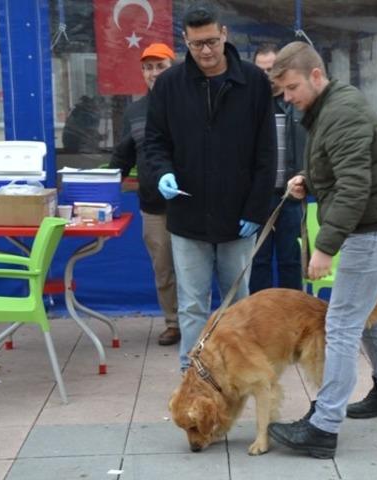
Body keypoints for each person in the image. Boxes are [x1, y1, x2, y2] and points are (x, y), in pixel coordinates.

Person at [266, 41, 377, 459]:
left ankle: (323, 426)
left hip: (371, 234)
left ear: (315, 75)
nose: (288, 99)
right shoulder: (328, 108)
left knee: (342, 326)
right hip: (376, 230)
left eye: (292, 88)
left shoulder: (341, 111)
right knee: (364, 318)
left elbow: (354, 186)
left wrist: (325, 247)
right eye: (283, 92)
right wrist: (309, 179)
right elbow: (342, 167)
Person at [144, 1, 275, 372]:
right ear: (184, 40)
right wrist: (162, 173)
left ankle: (237, 370)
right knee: (192, 304)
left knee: (239, 301)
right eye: (197, 43)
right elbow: (155, 142)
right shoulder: (169, 84)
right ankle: (193, 372)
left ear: (225, 35)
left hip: (239, 216)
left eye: (212, 42)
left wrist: (256, 209)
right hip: (187, 214)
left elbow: (266, 153)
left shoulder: (253, 83)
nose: (205, 51)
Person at [108, 43, 180, 346]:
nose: (153, 73)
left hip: (192, 204)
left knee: (197, 270)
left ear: (173, 67)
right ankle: (173, 323)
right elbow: (123, 156)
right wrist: (103, 188)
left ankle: (201, 324)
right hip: (153, 208)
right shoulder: (135, 112)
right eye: (148, 67)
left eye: (159, 66)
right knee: (163, 269)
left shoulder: (189, 104)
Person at [249, 43, 306, 293]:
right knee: (257, 261)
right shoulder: (247, 105)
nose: (266, 76)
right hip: (258, 197)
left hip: (289, 197)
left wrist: (304, 179)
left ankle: (292, 319)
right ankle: (261, 320)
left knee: (290, 261)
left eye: (271, 69)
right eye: (260, 70)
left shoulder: (295, 103)